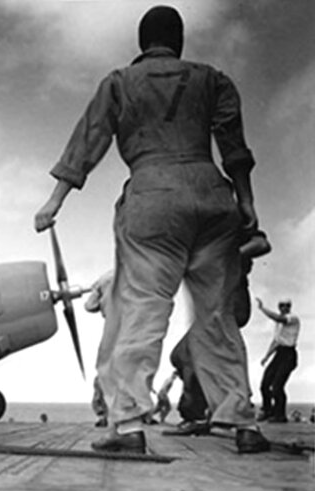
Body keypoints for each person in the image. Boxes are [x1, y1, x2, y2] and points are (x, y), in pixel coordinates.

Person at [34, 6, 268, 454]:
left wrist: (54, 201)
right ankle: (243, 423)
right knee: (216, 316)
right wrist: (246, 200)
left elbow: (89, 140)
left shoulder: (120, 82)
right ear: (178, 41)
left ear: (142, 42)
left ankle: (128, 425)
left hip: (151, 198)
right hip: (212, 195)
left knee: (142, 313)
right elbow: (233, 145)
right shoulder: (212, 79)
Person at [164, 230, 271, 437]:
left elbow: (261, 244)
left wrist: (227, 258)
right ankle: (204, 413)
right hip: (210, 302)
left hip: (231, 298)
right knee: (183, 355)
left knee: (190, 353)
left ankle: (214, 414)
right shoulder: (199, 228)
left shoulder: (229, 221)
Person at [256, 297, 300, 423]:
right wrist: (266, 356)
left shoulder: (293, 318)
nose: (284, 308)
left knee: (277, 386)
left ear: (290, 307)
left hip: (289, 355)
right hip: (279, 353)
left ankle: (280, 415)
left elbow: (277, 318)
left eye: (287, 305)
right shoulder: (279, 325)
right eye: (282, 305)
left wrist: (262, 308)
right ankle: (268, 410)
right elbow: (276, 341)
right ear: (279, 307)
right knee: (265, 384)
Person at [84, 270, 114, 428]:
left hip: (112, 329)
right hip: (135, 328)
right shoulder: (135, 276)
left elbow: (90, 306)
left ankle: (102, 415)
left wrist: (97, 290)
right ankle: (138, 417)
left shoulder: (105, 279)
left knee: (102, 376)